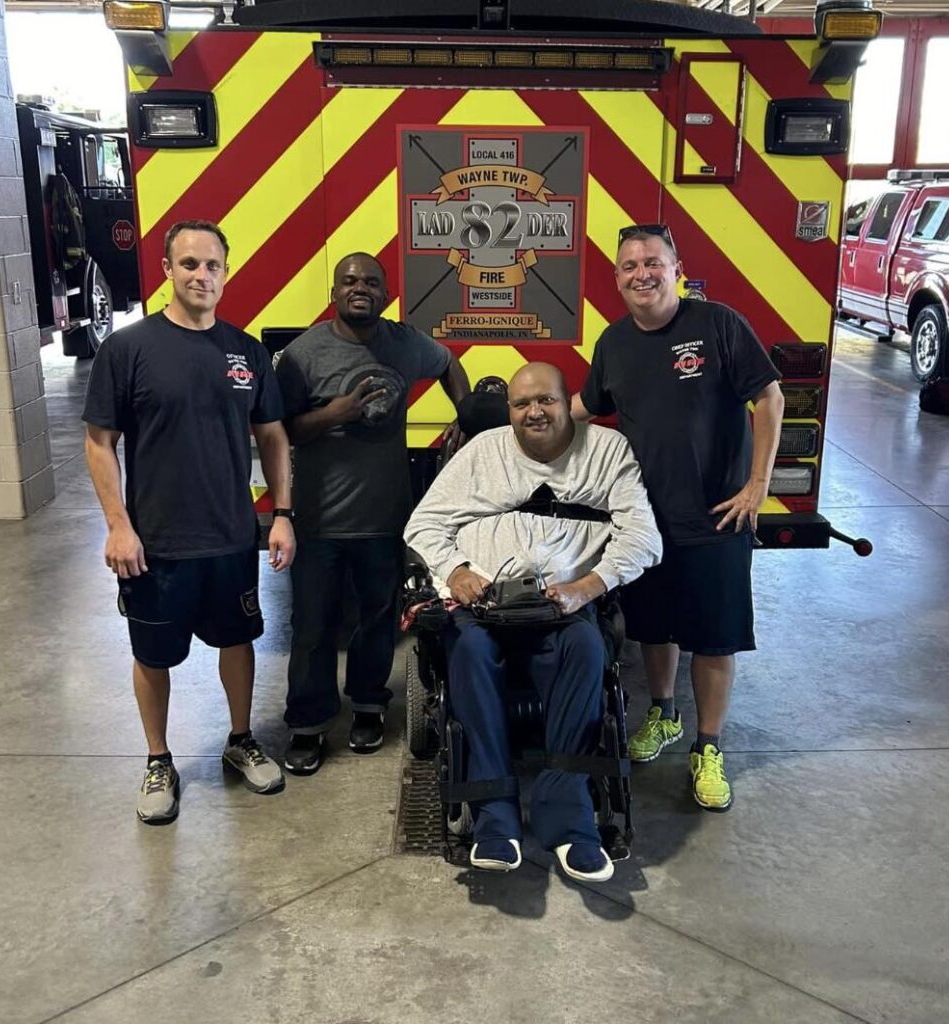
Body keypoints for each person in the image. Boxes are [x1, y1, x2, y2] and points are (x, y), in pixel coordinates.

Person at [405, 362, 661, 881]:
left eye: (545, 401)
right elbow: (423, 522)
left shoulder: (608, 452)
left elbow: (643, 538)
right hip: (484, 601)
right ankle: (494, 818)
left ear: (569, 403)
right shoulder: (482, 453)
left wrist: (587, 587)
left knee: (588, 650)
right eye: (522, 405)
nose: (533, 412)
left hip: (563, 601)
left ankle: (569, 824)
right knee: (469, 652)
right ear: (510, 412)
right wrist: (454, 571)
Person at [83, 219, 296, 825]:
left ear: (226, 273)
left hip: (231, 535)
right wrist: (118, 525)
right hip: (155, 544)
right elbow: (99, 442)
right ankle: (158, 759)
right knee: (152, 653)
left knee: (239, 640)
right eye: (190, 265)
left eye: (213, 266)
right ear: (168, 272)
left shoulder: (246, 350)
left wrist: (281, 515)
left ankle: (239, 740)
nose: (201, 276)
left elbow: (273, 436)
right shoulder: (128, 350)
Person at [572, 226, 785, 813]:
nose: (641, 274)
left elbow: (769, 397)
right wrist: (519, 432)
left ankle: (708, 746)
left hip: (718, 517)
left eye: (652, 262)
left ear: (675, 268)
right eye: (629, 266)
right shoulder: (614, 343)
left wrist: (758, 486)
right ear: (617, 278)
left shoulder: (718, 324)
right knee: (654, 628)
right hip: (645, 518)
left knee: (715, 638)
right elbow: (585, 411)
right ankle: (663, 714)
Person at [275, 252, 470, 774]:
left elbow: (449, 361)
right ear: (334, 291)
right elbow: (282, 430)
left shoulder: (403, 343)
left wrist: (466, 418)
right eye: (350, 281)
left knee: (377, 620)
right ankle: (309, 723)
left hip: (385, 517)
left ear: (386, 294)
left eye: (371, 282)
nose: (360, 288)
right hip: (319, 520)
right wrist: (333, 414)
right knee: (313, 626)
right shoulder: (303, 353)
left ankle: (367, 705)